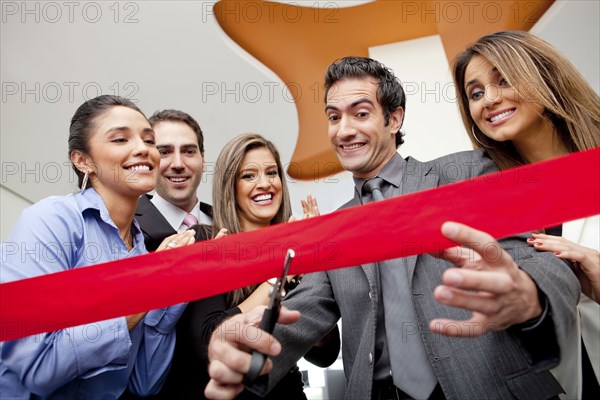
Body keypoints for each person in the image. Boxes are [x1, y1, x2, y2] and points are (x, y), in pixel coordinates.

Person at [204, 57, 581, 400]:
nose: (344, 130)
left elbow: (533, 256)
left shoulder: (465, 173)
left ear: (394, 119)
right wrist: (246, 349)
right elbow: (304, 311)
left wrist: (531, 297)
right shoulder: (334, 227)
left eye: (361, 113)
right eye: (334, 117)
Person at [0, 95, 195, 399]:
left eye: (149, 140)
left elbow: (145, 383)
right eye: (120, 139)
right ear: (82, 160)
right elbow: (36, 369)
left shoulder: (144, 253)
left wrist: (174, 283)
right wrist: (155, 283)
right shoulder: (52, 221)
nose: (143, 148)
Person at [452, 30, 600, 399]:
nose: (490, 99)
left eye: (504, 79)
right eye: (475, 92)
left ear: (545, 76)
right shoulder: (491, 199)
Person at [156, 133, 339, 399]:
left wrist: (309, 263)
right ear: (230, 186)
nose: (265, 184)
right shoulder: (205, 240)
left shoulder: (294, 248)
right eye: (249, 176)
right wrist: (282, 276)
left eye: (272, 173)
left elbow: (325, 353)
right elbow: (208, 339)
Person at [135, 109, 212, 251]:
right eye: (164, 152)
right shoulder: (126, 227)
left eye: (188, 151)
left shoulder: (227, 220)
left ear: (203, 160)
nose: (178, 164)